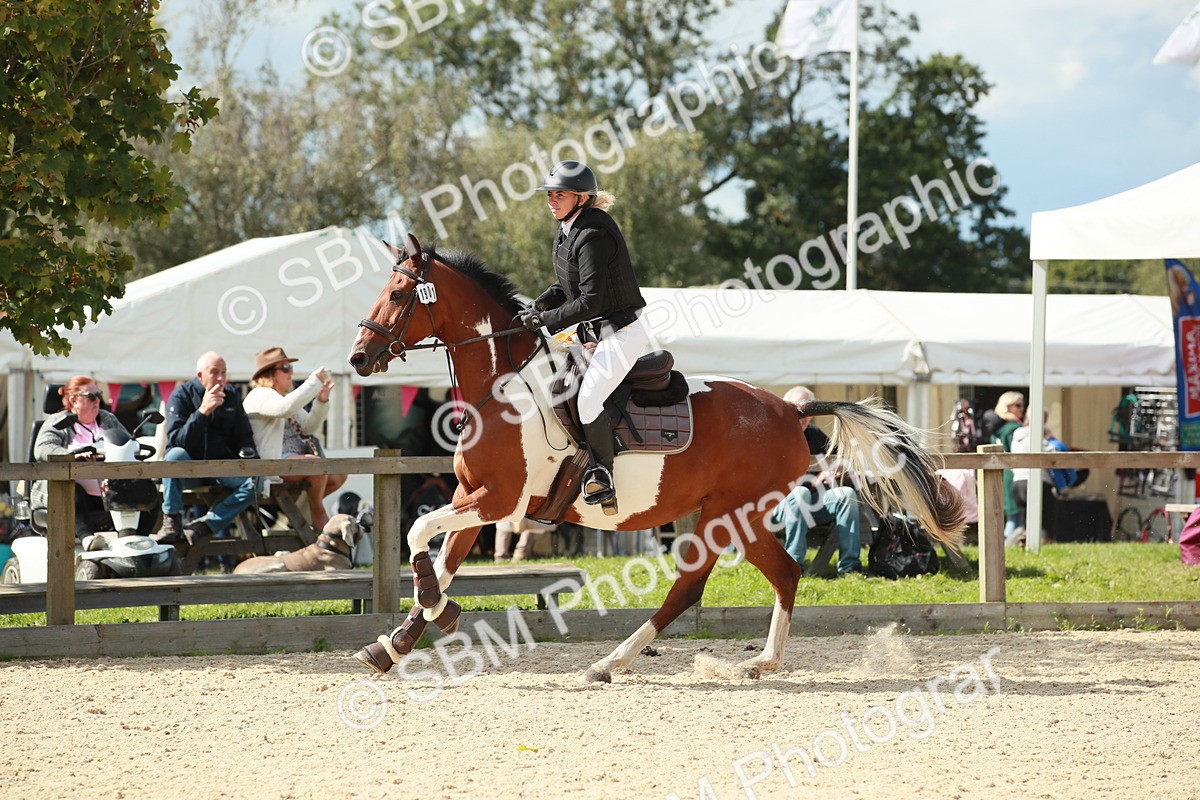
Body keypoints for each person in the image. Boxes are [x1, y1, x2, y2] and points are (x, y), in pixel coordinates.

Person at [518, 160, 649, 506]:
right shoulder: (567, 230)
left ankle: (603, 474)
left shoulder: (593, 234)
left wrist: (546, 322)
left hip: (622, 331)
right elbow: (566, 285)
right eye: (549, 193)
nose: (551, 200)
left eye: (559, 194)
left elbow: (590, 300)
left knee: (588, 400)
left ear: (580, 198)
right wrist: (540, 305)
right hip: (596, 329)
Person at [159, 352, 259, 545]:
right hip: (189, 470)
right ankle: (171, 518)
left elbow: (244, 436)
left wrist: (249, 454)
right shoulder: (181, 395)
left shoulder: (231, 396)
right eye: (214, 372)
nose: (221, 378)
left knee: (255, 483)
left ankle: (205, 525)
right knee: (174, 454)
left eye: (224, 372)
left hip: (220, 467)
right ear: (200, 375)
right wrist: (203, 412)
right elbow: (178, 441)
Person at [242, 347, 345, 530]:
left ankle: (301, 518)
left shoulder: (281, 397)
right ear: (269, 374)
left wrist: (321, 402)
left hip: (292, 460)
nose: (291, 372)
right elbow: (284, 409)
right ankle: (316, 515)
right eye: (285, 367)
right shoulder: (259, 395)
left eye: (290, 367)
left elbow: (308, 427)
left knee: (339, 474)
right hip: (271, 464)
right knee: (316, 466)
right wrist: (313, 382)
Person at [768, 386, 864, 576]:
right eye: (798, 410)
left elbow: (840, 459)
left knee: (847, 494)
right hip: (778, 506)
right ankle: (793, 566)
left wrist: (835, 470)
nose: (803, 416)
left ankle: (850, 567)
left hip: (816, 504)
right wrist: (814, 482)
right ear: (787, 408)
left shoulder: (815, 434)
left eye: (808, 411)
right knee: (800, 493)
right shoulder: (774, 435)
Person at [31, 377, 131, 547]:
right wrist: (71, 455)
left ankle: (134, 541)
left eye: (98, 395)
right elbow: (42, 448)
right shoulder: (58, 421)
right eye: (91, 396)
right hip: (66, 492)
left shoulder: (107, 419)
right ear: (73, 400)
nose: (97, 400)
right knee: (70, 488)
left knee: (143, 488)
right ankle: (87, 539)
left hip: (105, 491)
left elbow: (128, 441)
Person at [989, 391, 1026, 541]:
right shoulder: (1013, 428)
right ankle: (1006, 544)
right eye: (1018, 405)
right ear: (1007, 407)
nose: (1022, 408)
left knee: (1011, 515)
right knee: (1015, 517)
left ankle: (1004, 543)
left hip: (1001, 473)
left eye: (1022, 405)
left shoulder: (996, 428)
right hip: (1013, 473)